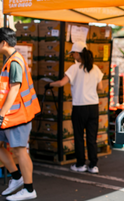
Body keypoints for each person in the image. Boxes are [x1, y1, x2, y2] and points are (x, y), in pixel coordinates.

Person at [47, 41, 103, 174]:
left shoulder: (74, 68)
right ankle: (93, 165)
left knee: (79, 136)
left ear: (78, 53)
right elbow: (100, 88)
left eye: (73, 54)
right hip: (93, 106)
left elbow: (61, 83)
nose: (72, 56)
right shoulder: (95, 68)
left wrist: (49, 85)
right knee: (91, 137)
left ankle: (80, 164)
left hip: (79, 106)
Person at [0, 27, 41, 200]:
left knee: (20, 151)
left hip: (17, 115)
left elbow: (14, 90)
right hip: (11, 115)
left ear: (3, 43)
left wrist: (1, 114)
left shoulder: (15, 61)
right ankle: (17, 178)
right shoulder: (10, 60)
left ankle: (29, 189)